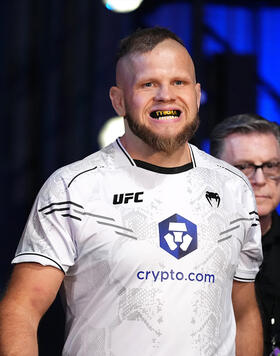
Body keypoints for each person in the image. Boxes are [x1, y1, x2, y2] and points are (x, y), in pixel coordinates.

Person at [0, 27, 263, 356]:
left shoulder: (234, 187)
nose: (165, 95)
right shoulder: (73, 187)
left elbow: (244, 312)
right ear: (119, 100)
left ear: (196, 95)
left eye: (178, 82)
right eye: (148, 84)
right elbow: (22, 309)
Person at [210, 113, 280, 355]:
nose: (259, 180)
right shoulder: (194, 249)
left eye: (271, 166)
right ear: (215, 171)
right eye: (243, 167)